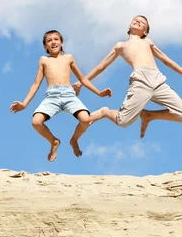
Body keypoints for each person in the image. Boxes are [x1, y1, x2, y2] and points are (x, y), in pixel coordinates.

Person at [73, 15, 182, 138]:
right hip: (140, 81)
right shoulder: (120, 46)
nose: (138, 21)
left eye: (143, 22)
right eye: (136, 19)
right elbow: (101, 67)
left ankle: (149, 115)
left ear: (145, 32)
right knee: (123, 121)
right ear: (129, 25)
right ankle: (105, 112)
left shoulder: (147, 42)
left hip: (158, 81)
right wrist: (81, 82)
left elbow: (166, 60)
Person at [10, 30, 111, 161]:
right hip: (52, 96)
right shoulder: (44, 60)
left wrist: (99, 93)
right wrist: (24, 104)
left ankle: (74, 140)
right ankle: (54, 141)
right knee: (36, 122)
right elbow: (36, 84)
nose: (53, 42)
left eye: (56, 39)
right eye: (49, 40)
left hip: (69, 94)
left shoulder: (68, 58)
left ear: (62, 42)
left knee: (85, 119)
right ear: (45, 46)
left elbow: (83, 79)